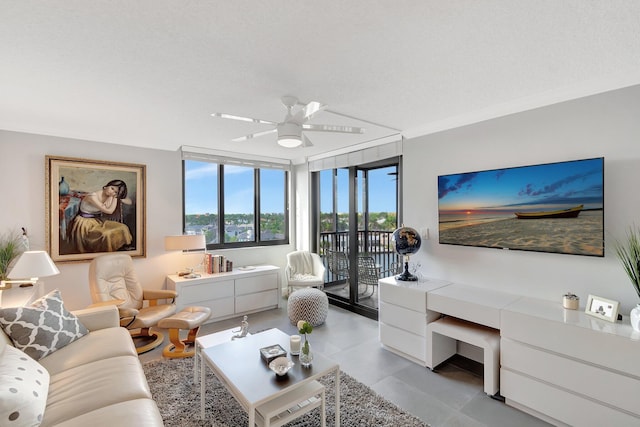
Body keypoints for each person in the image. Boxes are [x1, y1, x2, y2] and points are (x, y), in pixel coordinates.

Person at [69, 179, 133, 253]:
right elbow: (109, 211)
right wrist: (113, 197)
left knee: (123, 227)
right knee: (106, 234)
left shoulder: (111, 196)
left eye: (115, 192)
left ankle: (124, 248)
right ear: (107, 185)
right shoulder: (92, 196)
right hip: (84, 223)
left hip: (97, 221)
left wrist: (115, 197)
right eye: (112, 188)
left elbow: (128, 201)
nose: (112, 192)